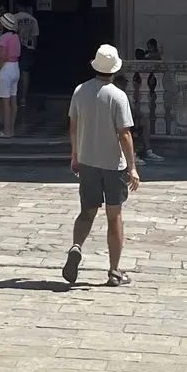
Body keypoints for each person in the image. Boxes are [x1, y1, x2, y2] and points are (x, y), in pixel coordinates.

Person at [62, 44, 140, 287]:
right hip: (112, 164)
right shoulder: (118, 96)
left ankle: (76, 246)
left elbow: (73, 125)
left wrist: (75, 154)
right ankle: (114, 271)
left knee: (87, 211)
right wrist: (132, 167)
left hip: (87, 161)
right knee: (114, 215)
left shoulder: (80, 91)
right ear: (115, 70)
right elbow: (124, 134)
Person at [0, 13, 22, 138]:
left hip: (7, 67)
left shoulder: (4, 37)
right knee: (13, 100)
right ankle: (11, 129)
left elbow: (2, 55)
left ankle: (6, 131)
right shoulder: (16, 37)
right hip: (16, 67)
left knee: (5, 102)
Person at [14, 0, 39, 108]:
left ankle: (14, 97)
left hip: (15, 48)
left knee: (15, 73)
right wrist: (33, 48)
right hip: (28, 48)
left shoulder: (14, 18)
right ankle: (23, 99)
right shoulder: (33, 20)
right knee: (25, 73)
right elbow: (35, 37)